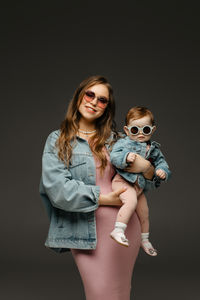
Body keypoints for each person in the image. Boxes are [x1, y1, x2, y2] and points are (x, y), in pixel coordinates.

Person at [39, 76, 156, 300]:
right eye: (89, 95)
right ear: (79, 97)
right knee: (99, 293)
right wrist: (105, 199)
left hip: (123, 226)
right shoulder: (58, 140)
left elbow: (145, 182)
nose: (94, 102)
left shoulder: (118, 142)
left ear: (106, 109)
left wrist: (147, 169)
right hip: (84, 230)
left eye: (102, 100)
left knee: (120, 293)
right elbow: (58, 190)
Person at [110, 106, 171, 256]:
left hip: (139, 187)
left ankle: (144, 239)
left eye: (146, 130)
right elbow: (114, 157)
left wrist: (162, 171)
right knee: (131, 202)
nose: (141, 134)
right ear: (126, 130)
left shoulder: (154, 149)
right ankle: (118, 230)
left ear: (153, 129)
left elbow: (162, 163)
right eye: (135, 130)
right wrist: (125, 158)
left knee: (144, 212)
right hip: (122, 181)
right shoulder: (124, 144)